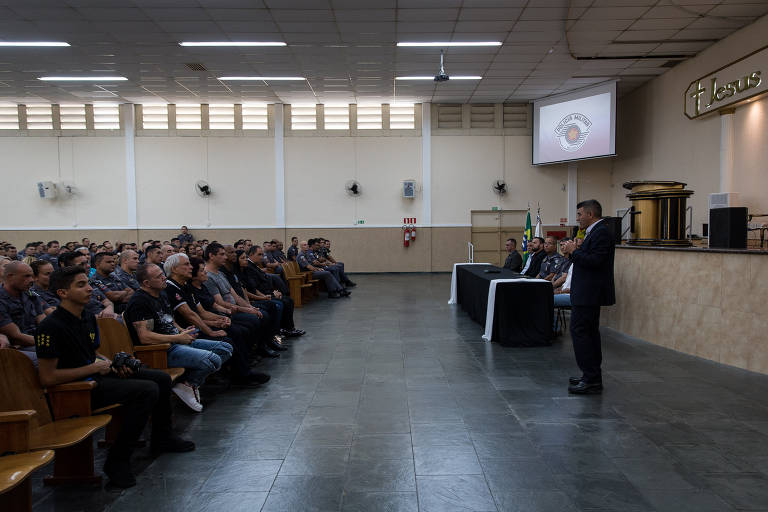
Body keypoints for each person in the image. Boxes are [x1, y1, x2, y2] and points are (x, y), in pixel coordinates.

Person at [35, 266, 195, 488]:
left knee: (160, 378)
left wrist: (112, 365)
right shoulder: (50, 327)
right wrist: (95, 368)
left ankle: (162, 438)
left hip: (96, 376)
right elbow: (48, 377)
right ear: (63, 293)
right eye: (81, 285)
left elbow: (93, 354)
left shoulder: (87, 317)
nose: (90, 289)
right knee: (146, 390)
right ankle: (117, 461)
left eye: (88, 283)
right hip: (75, 390)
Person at [124, 264, 233, 412]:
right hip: (161, 350)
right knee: (212, 360)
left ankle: (186, 384)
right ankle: (189, 384)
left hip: (176, 340)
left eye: (162, 274)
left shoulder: (161, 293)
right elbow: (145, 336)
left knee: (225, 348)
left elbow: (169, 319)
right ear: (146, 283)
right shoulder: (139, 302)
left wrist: (183, 331)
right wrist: (178, 337)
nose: (164, 277)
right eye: (158, 276)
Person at [164, 253, 270, 385]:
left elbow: (202, 312)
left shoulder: (185, 286)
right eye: (186, 264)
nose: (191, 267)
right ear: (174, 269)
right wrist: (211, 331)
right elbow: (190, 316)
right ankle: (240, 375)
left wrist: (221, 318)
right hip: (188, 330)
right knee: (232, 335)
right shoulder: (171, 288)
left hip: (199, 324)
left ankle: (242, 371)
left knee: (238, 329)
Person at [561, 200, 615, 395]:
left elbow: (595, 262)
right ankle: (589, 375)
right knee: (587, 333)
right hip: (585, 291)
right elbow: (587, 258)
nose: (577, 218)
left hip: (589, 292)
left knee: (583, 333)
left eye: (579, 214)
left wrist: (575, 251)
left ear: (590, 214)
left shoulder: (601, 232)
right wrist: (573, 251)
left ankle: (591, 378)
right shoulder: (594, 232)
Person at [241, 247, 304, 338]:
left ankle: (288, 328)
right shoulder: (249, 267)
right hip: (260, 295)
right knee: (283, 302)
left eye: (262, 254)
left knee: (289, 300)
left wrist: (273, 291)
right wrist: (270, 294)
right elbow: (254, 287)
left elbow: (264, 280)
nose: (262, 257)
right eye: (259, 254)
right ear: (251, 255)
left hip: (266, 292)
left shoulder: (254, 265)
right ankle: (279, 331)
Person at [0, 261, 48, 363]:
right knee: (50, 358)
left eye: (31, 276)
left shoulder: (30, 295)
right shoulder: (1, 300)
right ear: (10, 277)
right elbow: (16, 336)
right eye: (26, 276)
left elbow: (44, 322)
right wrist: (48, 342)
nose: (31, 280)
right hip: (18, 347)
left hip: (37, 341)